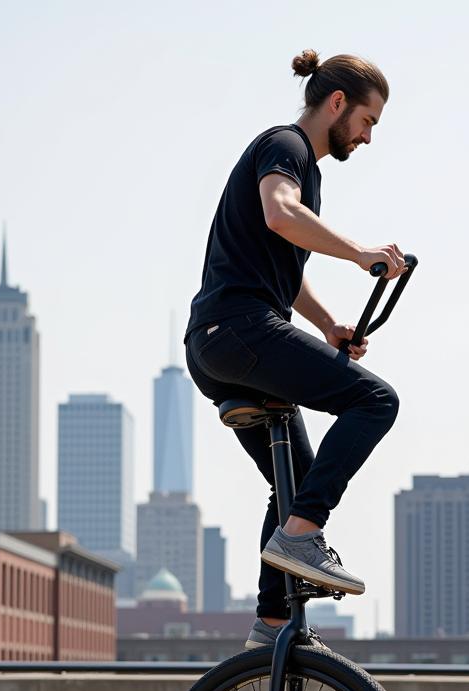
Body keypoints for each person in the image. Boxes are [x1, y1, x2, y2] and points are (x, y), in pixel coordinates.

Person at [183, 49, 408, 650]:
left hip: (218, 345)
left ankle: (272, 623)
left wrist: (332, 324)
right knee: (375, 403)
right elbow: (281, 216)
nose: (367, 138)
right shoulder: (285, 146)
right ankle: (303, 538)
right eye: (368, 122)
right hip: (238, 332)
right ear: (337, 103)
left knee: (295, 482)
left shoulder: (308, 170)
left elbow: (284, 261)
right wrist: (361, 253)